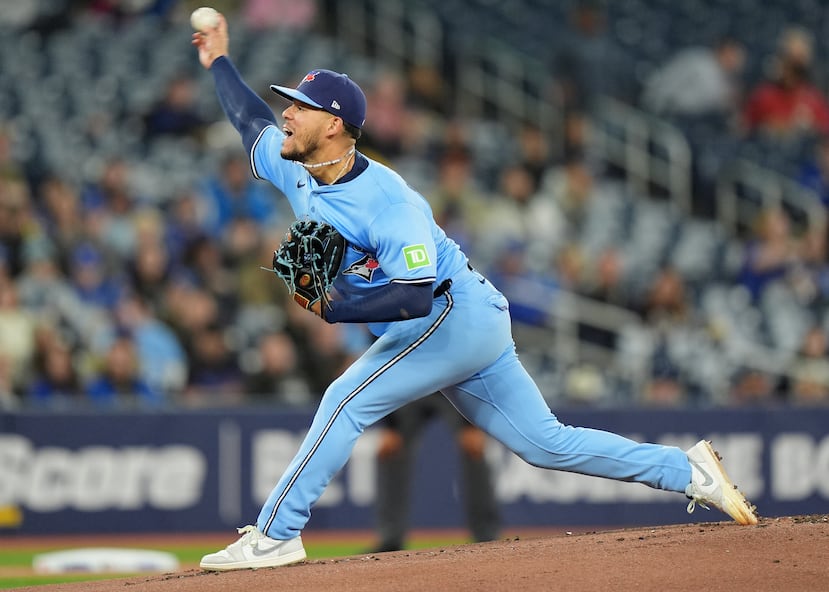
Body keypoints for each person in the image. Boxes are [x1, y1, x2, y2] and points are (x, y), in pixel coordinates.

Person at [192, 13, 758, 571]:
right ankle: (687, 471)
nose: (287, 114)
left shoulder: (388, 202)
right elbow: (248, 120)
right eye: (289, 104)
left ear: (334, 125)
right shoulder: (296, 166)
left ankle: (276, 534)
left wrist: (337, 308)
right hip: (468, 319)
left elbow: (414, 297)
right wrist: (218, 59)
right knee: (546, 444)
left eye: (300, 106)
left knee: (345, 400)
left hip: (449, 312)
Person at [372, 394, 500, 553]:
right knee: (392, 452)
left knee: (474, 451)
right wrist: (391, 426)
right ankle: (390, 539)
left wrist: (470, 424)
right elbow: (391, 379)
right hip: (413, 388)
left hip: (452, 389)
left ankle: (486, 535)